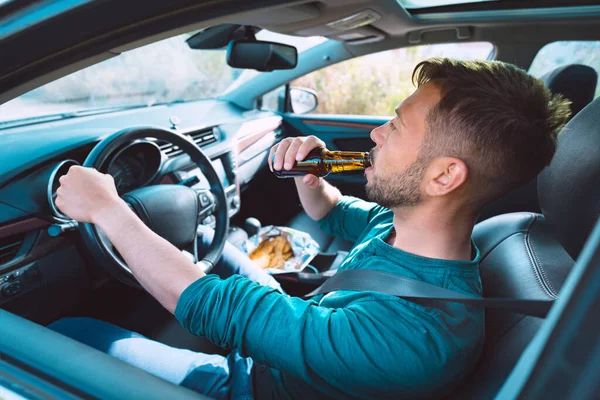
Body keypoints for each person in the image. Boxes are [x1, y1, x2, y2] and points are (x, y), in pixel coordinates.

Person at [49, 58, 571, 400]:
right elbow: (331, 213)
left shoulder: (413, 339)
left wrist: (107, 210)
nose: (375, 132)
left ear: (443, 176)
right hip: (305, 326)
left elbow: (213, 306)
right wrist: (312, 173)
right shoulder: (412, 227)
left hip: (254, 387)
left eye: (396, 125)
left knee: (66, 335)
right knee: (221, 246)